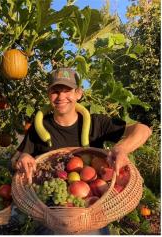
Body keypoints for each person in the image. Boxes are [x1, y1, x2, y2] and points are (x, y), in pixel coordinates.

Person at [13, 68, 152, 235]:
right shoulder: (39, 128)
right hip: (52, 213)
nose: (61, 97)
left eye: (67, 91)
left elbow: (144, 130)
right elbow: (15, 159)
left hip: (93, 213)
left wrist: (121, 149)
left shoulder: (97, 123)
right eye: (55, 91)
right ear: (49, 94)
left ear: (78, 93)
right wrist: (23, 158)